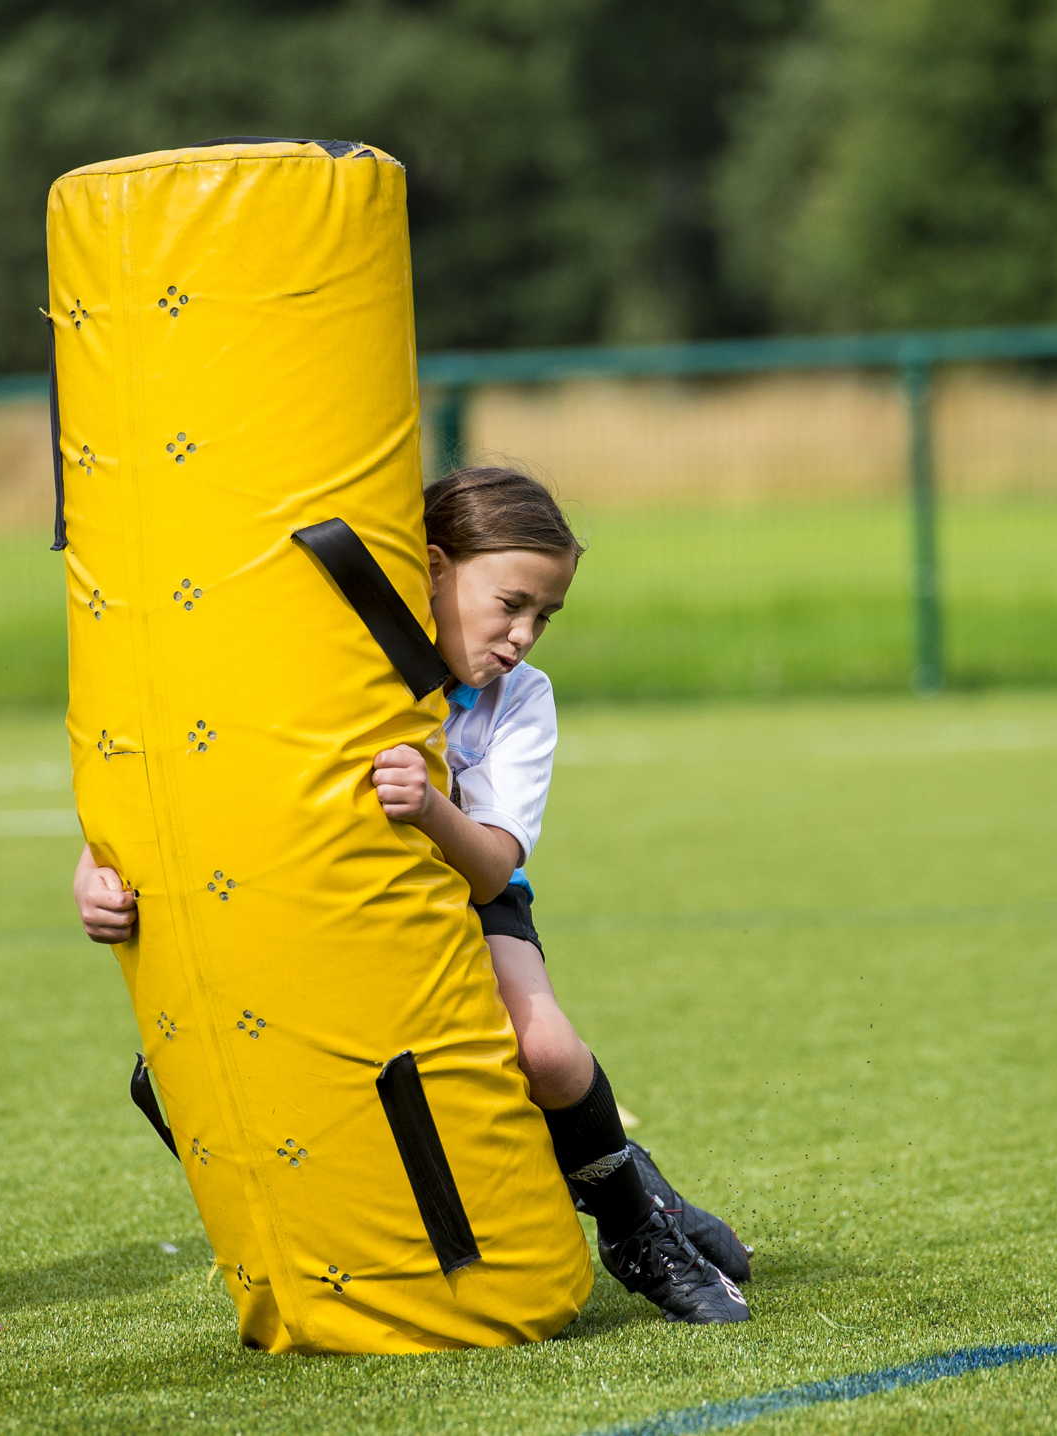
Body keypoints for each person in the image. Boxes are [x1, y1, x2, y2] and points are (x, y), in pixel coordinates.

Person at [74, 467, 751, 1324]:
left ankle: (630, 1222)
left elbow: (495, 868)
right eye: (510, 604)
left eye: (544, 616)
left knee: (539, 1051)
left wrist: (432, 804)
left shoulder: (519, 702)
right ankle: (618, 1176)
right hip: (330, 903)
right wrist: (92, 879)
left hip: (474, 894)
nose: (524, 635)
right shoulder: (323, 668)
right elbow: (195, 790)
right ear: (431, 568)